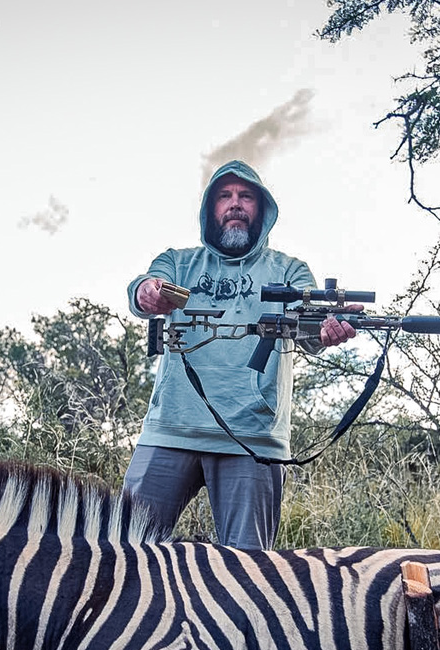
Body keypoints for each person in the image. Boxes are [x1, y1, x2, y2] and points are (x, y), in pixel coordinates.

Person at [124, 160, 356, 549]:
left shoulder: (290, 271)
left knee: (248, 574)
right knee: (126, 551)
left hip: (252, 439)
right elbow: (144, 287)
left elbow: (311, 326)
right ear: (210, 209)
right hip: (169, 430)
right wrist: (147, 291)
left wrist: (329, 327)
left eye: (246, 196)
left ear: (261, 209)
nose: (235, 204)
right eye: (225, 196)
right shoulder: (179, 263)